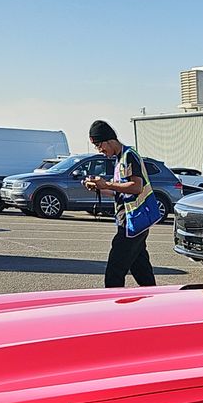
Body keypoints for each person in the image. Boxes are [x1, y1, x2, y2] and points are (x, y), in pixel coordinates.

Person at [83, 120, 156, 288]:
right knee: (140, 268)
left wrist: (106, 184)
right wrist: (99, 188)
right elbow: (122, 191)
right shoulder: (120, 159)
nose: (100, 150)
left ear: (108, 140)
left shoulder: (129, 156)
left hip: (133, 222)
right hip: (133, 222)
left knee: (114, 270)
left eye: (99, 145)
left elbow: (136, 186)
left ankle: (113, 306)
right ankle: (154, 300)